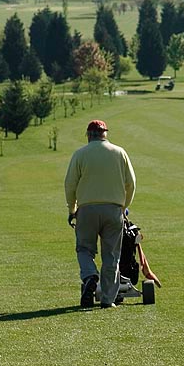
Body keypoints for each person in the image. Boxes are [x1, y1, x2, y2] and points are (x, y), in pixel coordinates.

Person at [64, 120, 137, 309]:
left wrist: (72, 209)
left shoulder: (80, 154)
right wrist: (123, 206)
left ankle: (89, 276)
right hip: (113, 210)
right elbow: (131, 183)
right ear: (105, 134)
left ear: (88, 135)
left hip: (87, 209)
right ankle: (107, 299)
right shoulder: (120, 153)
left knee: (84, 249)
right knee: (112, 256)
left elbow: (70, 185)